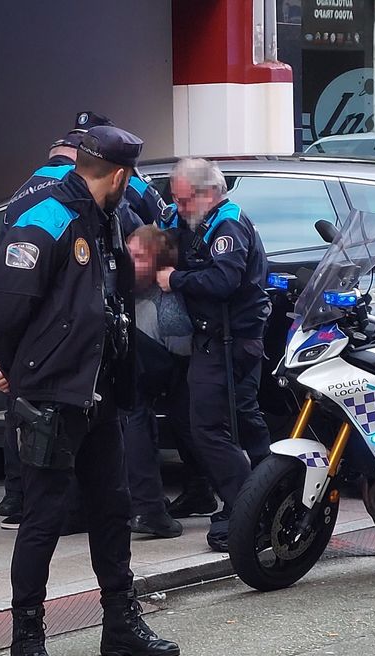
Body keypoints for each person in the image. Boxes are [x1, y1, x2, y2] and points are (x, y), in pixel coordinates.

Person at [0, 125, 179, 656]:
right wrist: (13, 369)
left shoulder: (108, 218)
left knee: (112, 508)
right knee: (43, 516)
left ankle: (120, 624)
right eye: (131, 177)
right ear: (119, 175)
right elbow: (8, 305)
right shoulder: (47, 217)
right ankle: (27, 637)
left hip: (99, 389)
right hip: (52, 392)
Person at [0, 111, 114, 530]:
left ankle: (15, 498)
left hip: (36, 354)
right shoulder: (64, 207)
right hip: (64, 358)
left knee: (23, 419)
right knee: (58, 486)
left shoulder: (24, 191)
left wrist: (8, 365)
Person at [156, 158, 271, 552]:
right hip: (211, 338)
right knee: (241, 417)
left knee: (209, 427)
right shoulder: (188, 218)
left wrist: (175, 279)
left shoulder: (228, 225)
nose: (178, 206)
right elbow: (162, 237)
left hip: (230, 340)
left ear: (208, 193)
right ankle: (267, 495)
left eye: (184, 199)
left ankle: (243, 510)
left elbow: (223, 280)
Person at [122, 225, 210, 538]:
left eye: (140, 257)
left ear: (161, 268)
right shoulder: (118, 284)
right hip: (147, 376)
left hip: (174, 369)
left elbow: (182, 349)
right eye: (128, 253)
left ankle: (158, 504)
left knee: (185, 419)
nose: (130, 262)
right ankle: (154, 504)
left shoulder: (168, 305)